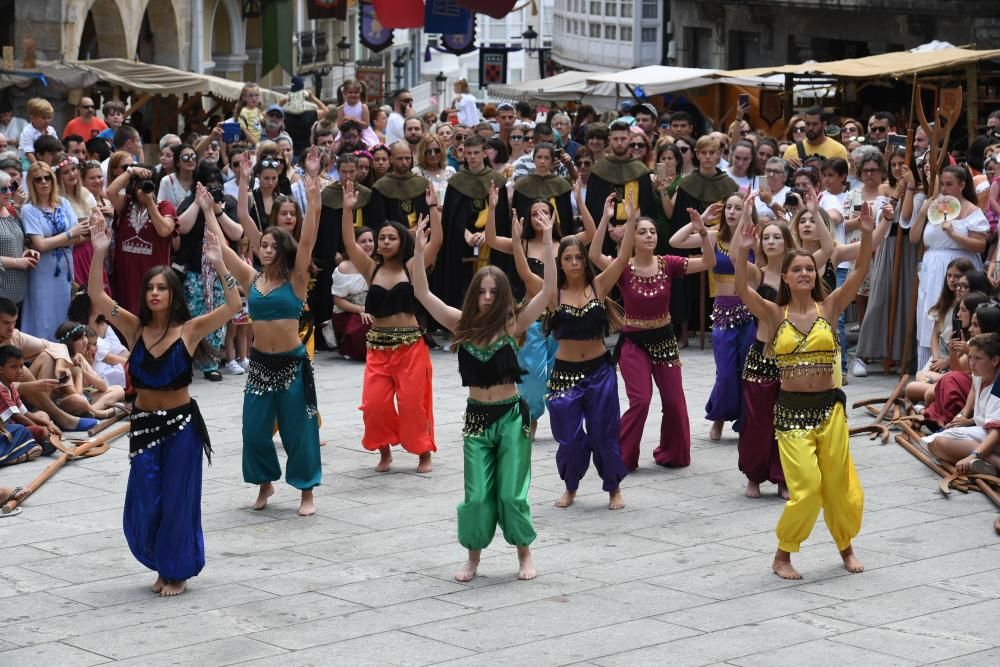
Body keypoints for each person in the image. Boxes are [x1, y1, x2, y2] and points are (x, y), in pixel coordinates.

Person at [88, 209, 240, 597]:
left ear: (172, 294)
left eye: (162, 288)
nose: (155, 292)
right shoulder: (134, 328)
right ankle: (161, 560)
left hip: (181, 427)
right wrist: (99, 251)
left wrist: (220, 263)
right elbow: (96, 297)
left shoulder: (189, 330)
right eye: (150, 288)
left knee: (176, 501)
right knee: (146, 500)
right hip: (144, 427)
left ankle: (175, 572)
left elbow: (232, 306)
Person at [733, 197, 874, 580]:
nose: (804, 274)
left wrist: (865, 230)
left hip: (830, 410)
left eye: (809, 269)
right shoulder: (774, 313)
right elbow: (743, 289)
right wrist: (743, 245)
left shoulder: (829, 307)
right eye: (797, 270)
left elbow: (861, 269)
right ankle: (783, 555)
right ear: (788, 277)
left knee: (838, 487)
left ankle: (845, 548)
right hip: (792, 413)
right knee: (808, 488)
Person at [412, 208, 554, 582]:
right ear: (474, 294)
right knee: (476, 497)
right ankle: (473, 558)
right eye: (483, 291)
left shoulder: (514, 324)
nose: (488, 296)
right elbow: (422, 292)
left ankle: (524, 553)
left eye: (494, 291)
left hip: (511, 417)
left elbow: (549, 291)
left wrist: (549, 241)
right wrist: (417, 250)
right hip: (476, 419)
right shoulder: (460, 323)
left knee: (511, 495)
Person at [212, 169, 324, 515]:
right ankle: (265, 484)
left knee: (299, 432)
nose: (267, 249)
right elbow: (222, 247)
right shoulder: (252, 279)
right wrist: (209, 210)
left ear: (283, 250)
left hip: (292, 364)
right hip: (260, 366)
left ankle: (306, 492)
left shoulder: (297, 280)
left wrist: (315, 199)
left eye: (274, 245)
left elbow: (307, 241)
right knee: (254, 431)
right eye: (263, 245)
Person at [590, 196, 714, 470]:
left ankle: (673, 453)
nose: (648, 235)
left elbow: (707, 261)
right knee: (641, 400)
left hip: (665, 340)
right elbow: (594, 255)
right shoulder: (622, 267)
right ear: (631, 238)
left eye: (652, 231)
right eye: (641, 231)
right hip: (634, 342)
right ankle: (621, 457)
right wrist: (605, 219)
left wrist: (702, 230)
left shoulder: (668, 263)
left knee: (674, 401)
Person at [342, 180, 442, 473]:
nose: (384, 242)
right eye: (381, 237)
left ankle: (423, 451)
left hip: (411, 347)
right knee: (375, 405)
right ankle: (384, 451)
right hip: (377, 348)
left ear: (402, 242)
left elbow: (436, 242)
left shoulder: (412, 267)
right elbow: (349, 242)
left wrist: (434, 208)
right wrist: (348, 210)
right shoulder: (371, 268)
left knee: (413, 404)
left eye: (391, 238)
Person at [546, 195, 637, 510]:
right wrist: (538, 238)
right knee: (569, 438)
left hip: (600, 372)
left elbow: (623, 257)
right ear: (559, 263)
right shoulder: (552, 294)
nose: (573, 263)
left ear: (585, 261)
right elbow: (521, 266)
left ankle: (613, 488)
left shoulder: (598, 286)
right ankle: (570, 485)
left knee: (603, 434)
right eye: (567, 258)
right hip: (563, 375)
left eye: (578, 258)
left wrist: (630, 221)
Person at [488, 180, 596, 437]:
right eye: (534, 213)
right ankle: (531, 415)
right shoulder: (521, 244)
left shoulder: (566, 245)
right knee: (532, 376)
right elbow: (491, 240)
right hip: (532, 319)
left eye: (544, 212)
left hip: (562, 318)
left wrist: (580, 200)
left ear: (553, 216)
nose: (539, 217)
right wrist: (492, 208)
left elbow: (590, 234)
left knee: (562, 374)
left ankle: (563, 418)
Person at [671, 194, 755, 441]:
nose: (731, 211)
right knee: (726, 371)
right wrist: (702, 221)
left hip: (750, 310)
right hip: (723, 312)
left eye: (738, 208)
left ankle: (744, 421)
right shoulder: (714, 236)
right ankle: (718, 416)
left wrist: (749, 219)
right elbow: (675, 241)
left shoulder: (753, 239)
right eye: (728, 207)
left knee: (747, 370)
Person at [911, 166, 990, 370]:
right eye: (942, 184)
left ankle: (955, 362)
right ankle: (930, 363)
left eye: (949, 184)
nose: (944, 189)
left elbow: (981, 245)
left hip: (959, 265)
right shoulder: (935, 208)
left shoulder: (972, 211)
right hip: (933, 270)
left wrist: (954, 234)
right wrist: (922, 212)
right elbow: (914, 237)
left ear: (962, 185)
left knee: (956, 311)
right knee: (933, 313)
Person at [434, 135, 510, 307]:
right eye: (468, 153)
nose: (473, 157)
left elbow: (502, 217)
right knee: (462, 283)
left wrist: (486, 233)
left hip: (490, 240)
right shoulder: (457, 182)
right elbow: (451, 217)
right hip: (462, 242)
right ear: (464, 155)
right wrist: (465, 233)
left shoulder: (497, 181)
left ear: (485, 154)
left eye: (476, 152)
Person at [20, 163, 87, 340]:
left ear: (53, 179)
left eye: (47, 177)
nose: (44, 182)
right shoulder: (29, 209)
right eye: (38, 179)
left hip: (65, 270)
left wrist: (56, 240)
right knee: (43, 316)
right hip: (42, 272)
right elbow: (40, 245)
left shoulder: (63, 203)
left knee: (64, 313)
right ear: (31, 183)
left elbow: (77, 237)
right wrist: (69, 234)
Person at [925, 333, 1000, 478]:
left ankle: (994, 462)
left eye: (977, 358)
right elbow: (974, 388)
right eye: (970, 357)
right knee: (935, 443)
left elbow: (996, 431)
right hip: (986, 432)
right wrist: (964, 415)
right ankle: (988, 463)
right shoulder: (981, 374)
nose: (971, 363)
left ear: (995, 360)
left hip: (994, 437)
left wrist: (973, 455)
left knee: (939, 442)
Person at [106, 165, 177, 315]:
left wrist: (150, 203)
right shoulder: (126, 204)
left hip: (153, 280)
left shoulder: (165, 207)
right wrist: (130, 172)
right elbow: (110, 192)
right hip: (126, 279)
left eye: (148, 182)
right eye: (139, 182)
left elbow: (164, 230)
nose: (143, 186)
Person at [585, 121, 654, 251]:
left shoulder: (640, 170)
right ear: (610, 140)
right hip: (604, 231)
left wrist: (626, 227)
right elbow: (593, 205)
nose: (619, 143)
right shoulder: (599, 170)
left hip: (635, 229)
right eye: (615, 139)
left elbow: (645, 205)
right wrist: (610, 228)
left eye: (623, 138)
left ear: (629, 139)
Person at [331, 226, 375, 361]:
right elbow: (338, 300)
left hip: (372, 309)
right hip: (348, 312)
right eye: (363, 241)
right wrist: (360, 310)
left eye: (370, 240)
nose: (368, 244)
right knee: (364, 325)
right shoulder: (344, 267)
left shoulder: (378, 264)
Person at [370, 143, 430, 231]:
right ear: (391, 159)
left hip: (420, 235)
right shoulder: (381, 187)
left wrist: (418, 228)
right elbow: (378, 220)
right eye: (400, 159)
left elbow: (428, 214)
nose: (404, 162)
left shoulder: (422, 184)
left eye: (407, 158)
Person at [0, 171, 35, 305]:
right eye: (3, 189)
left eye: (11, 188)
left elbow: (20, 240)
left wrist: (26, 251)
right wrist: (17, 262)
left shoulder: (13, 211)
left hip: (18, 290)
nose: (9, 193)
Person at [783, 107, 849, 167]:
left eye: (815, 124)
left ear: (824, 125)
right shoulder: (790, 151)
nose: (810, 128)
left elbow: (844, 178)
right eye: (807, 124)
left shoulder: (838, 150)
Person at [19, 98, 58, 164]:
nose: (47, 121)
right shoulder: (27, 132)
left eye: (49, 117)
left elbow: (57, 147)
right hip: (28, 161)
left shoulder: (51, 130)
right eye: (44, 118)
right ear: (33, 118)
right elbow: (29, 153)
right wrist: (38, 168)